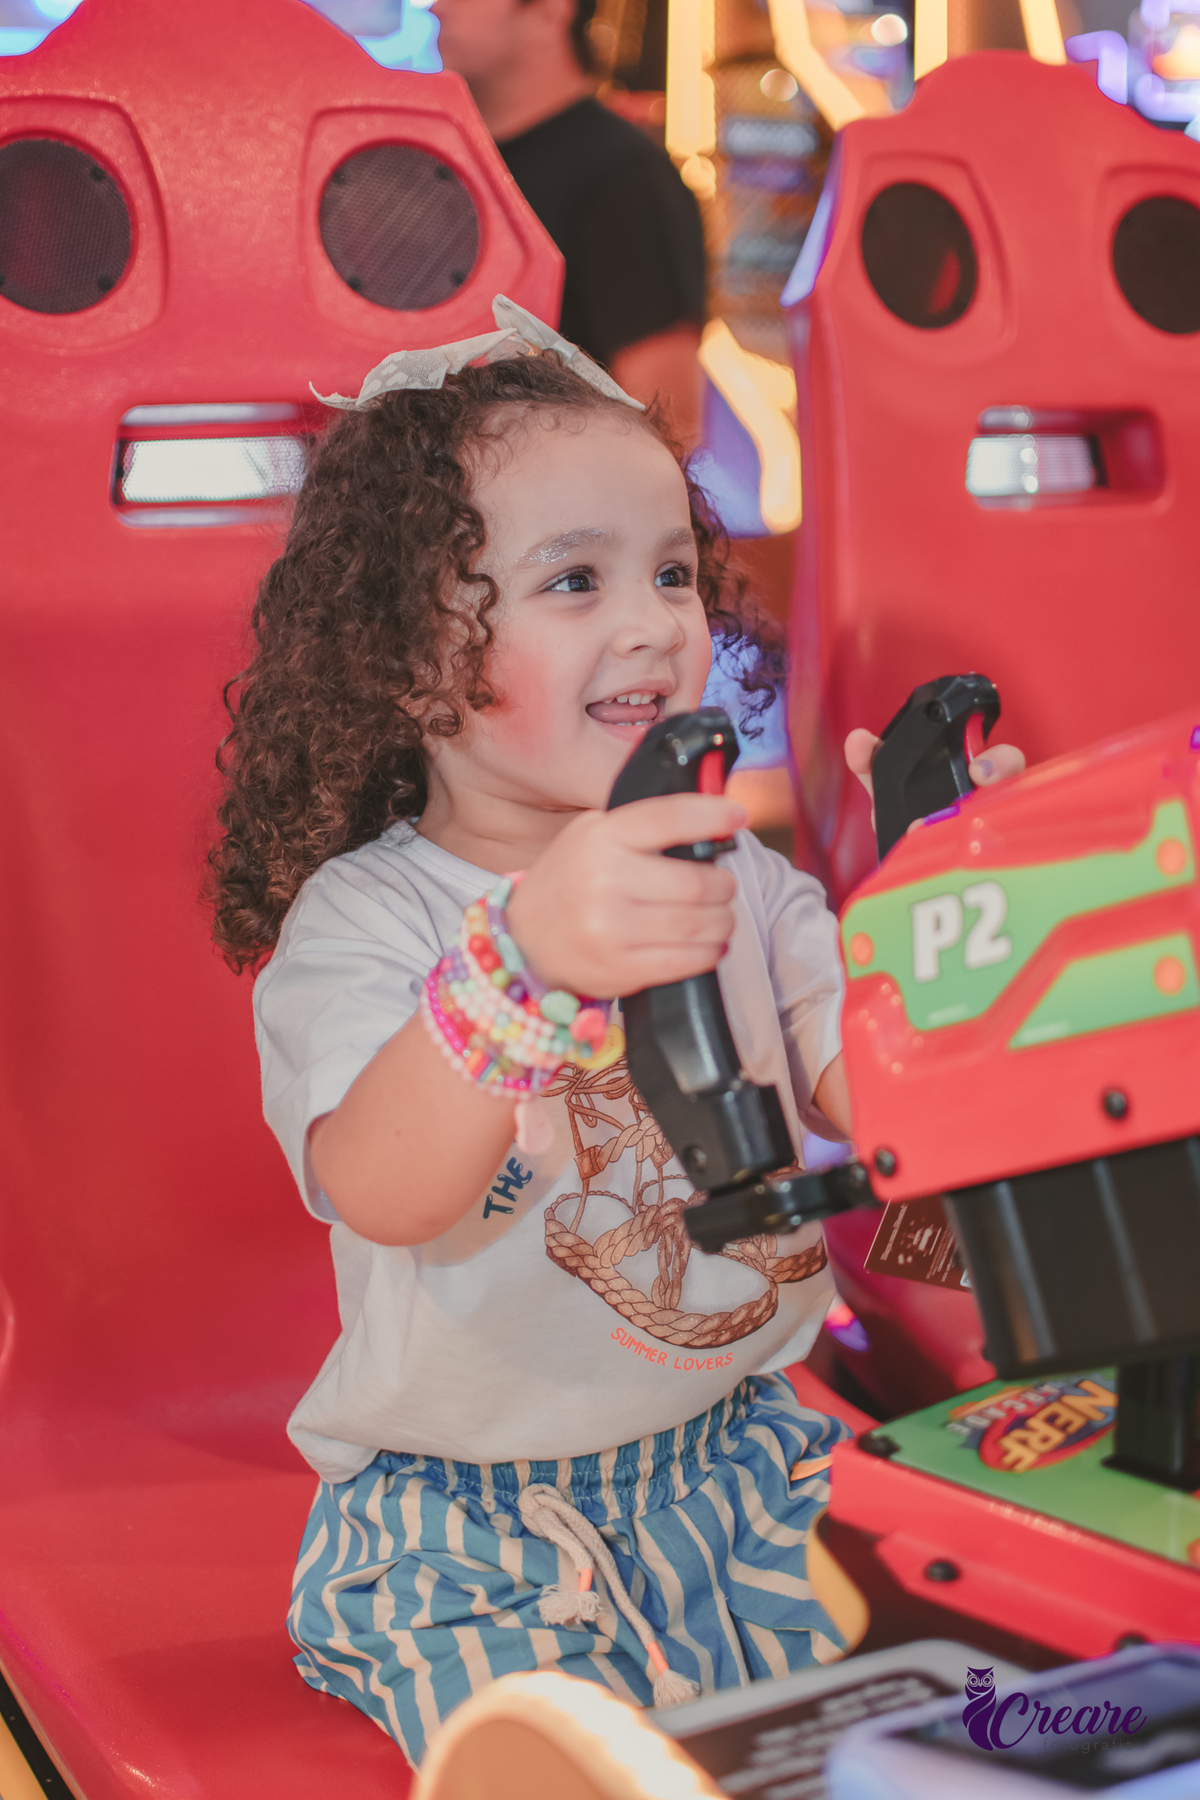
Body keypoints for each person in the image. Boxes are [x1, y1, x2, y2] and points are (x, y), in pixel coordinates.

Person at [208, 300, 1021, 1768]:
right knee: (568, 1765)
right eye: (573, 580)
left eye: (670, 571)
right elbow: (388, 1185)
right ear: (406, 660)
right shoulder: (373, 922)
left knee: (967, 1698)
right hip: (476, 1524)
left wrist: (951, 918)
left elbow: (871, 1091)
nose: (652, 619)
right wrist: (524, 963)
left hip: (758, 1462)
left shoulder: (747, 881)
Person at [432, 0, 707, 443]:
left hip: (554, 502)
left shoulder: (625, 173)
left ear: (550, 10)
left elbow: (667, 422)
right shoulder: (439, 164)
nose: (437, 8)